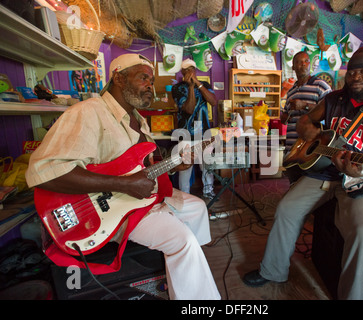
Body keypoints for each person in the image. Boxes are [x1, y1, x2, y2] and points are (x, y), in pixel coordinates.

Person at [25, 53, 221, 300]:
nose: (150, 85)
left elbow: (143, 166)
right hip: (106, 211)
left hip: (138, 199)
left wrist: (173, 165)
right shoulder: (88, 112)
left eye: (151, 80)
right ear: (118, 78)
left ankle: (188, 274)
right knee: (183, 241)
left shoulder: (138, 120)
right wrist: (123, 184)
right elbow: (43, 173)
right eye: (143, 78)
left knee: (198, 207)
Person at [243, 46, 363, 300]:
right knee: (286, 209)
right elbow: (304, 121)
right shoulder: (334, 98)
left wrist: (358, 167)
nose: (357, 77)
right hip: (324, 173)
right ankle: (273, 271)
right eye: (353, 72)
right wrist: (314, 139)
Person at [281, 51, 332, 183]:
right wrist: (284, 116)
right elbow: (286, 117)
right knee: (293, 182)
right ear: (293, 66)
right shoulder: (291, 91)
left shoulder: (321, 86)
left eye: (306, 61)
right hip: (292, 146)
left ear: (310, 65)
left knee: (310, 183)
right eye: (299, 62)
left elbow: (330, 112)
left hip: (310, 148)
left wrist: (305, 106)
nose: (303, 65)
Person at [171, 58, 218, 199]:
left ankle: (208, 191)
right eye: (187, 70)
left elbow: (213, 101)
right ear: (182, 72)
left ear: (195, 71)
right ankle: (185, 196)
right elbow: (189, 109)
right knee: (186, 167)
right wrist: (190, 87)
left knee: (207, 166)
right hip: (186, 134)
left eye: (192, 69)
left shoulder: (204, 85)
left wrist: (197, 84)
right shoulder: (177, 88)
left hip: (204, 133)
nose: (190, 72)